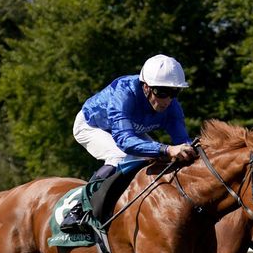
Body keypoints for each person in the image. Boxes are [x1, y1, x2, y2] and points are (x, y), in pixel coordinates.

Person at [60, 54, 197, 232]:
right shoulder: (123, 93)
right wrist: (166, 149)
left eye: (174, 93)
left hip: (127, 131)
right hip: (90, 126)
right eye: (162, 92)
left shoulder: (172, 108)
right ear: (146, 87)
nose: (167, 100)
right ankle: (78, 209)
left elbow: (182, 142)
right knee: (119, 156)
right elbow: (125, 141)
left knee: (157, 159)